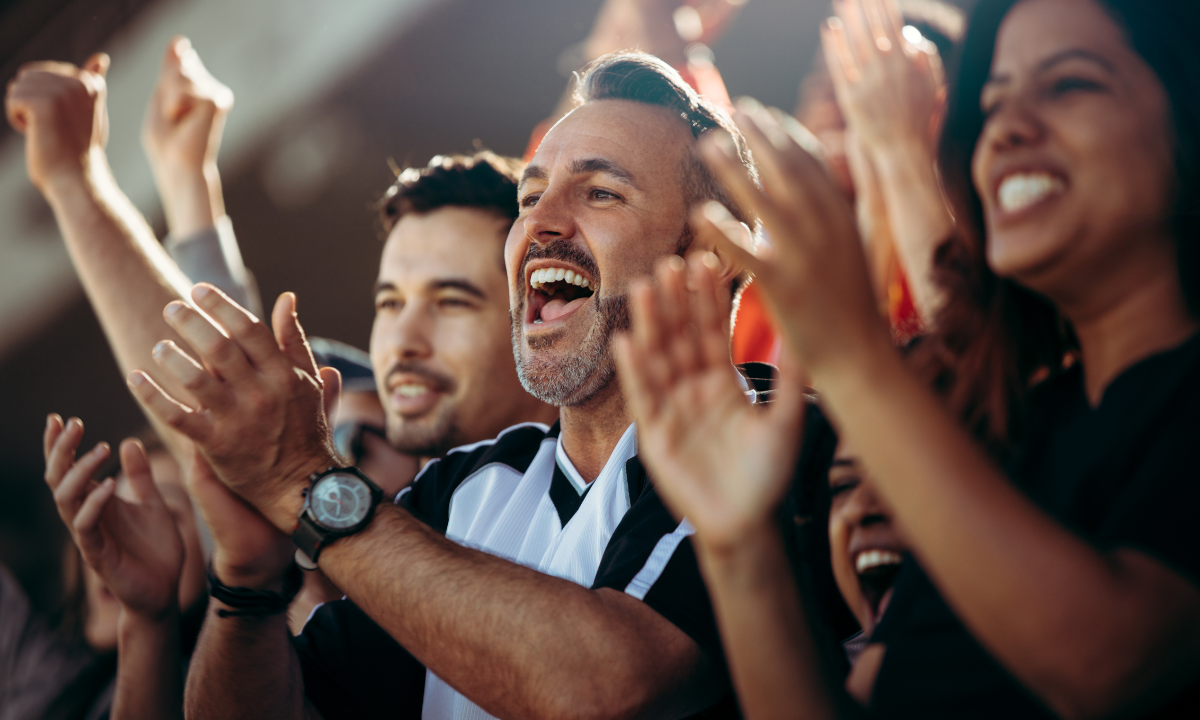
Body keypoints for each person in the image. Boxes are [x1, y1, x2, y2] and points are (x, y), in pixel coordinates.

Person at [124, 52, 760, 719]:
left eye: (601, 192)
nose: (541, 223)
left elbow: (601, 687)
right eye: (531, 196)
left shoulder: (785, 441)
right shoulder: (460, 490)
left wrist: (310, 486)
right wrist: (248, 585)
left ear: (710, 256)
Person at [618, 0, 1200, 716]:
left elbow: (1111, 664)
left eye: (1070, 84)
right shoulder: (1005, 439)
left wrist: (850, 355)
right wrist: (740, 548)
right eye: (990, 104)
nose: (1008, 129)